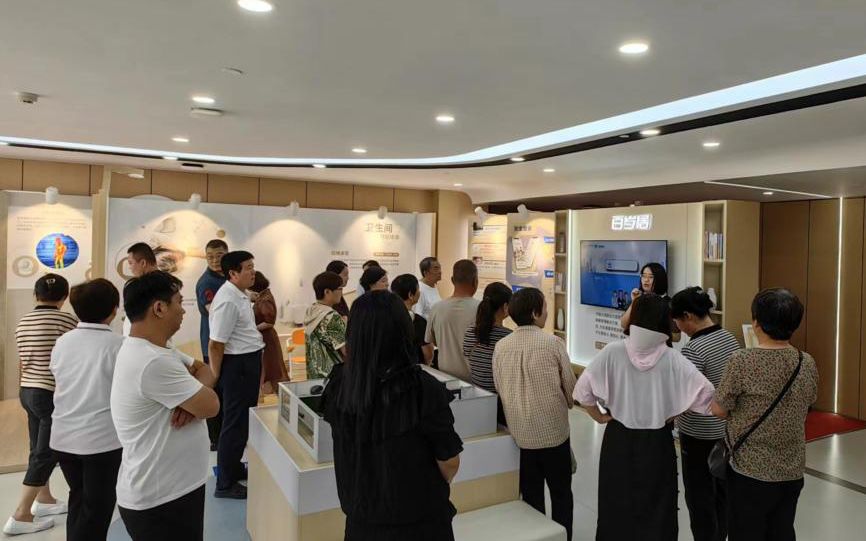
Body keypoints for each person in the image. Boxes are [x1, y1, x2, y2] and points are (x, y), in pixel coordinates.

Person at [322, 291, 463, 541]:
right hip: (420, 524)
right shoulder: (421, 389)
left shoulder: (340, 385)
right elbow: (449, 461)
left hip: (361, 523)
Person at [574, 293, 715, 541]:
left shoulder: (613, 351)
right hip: (657, 443)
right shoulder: (672, 357)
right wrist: (673, 410)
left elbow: (583, 392)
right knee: (657, 506)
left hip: (618, 439)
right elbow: (706, 394)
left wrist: (599, 417)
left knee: (615, 503)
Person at [112, 271, 219, 541]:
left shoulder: (161, 349)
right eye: (179, 302)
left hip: (174, 489)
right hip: (162, 499)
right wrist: (194, 401)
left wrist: (189, 402)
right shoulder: (152, 361)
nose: (183, 310)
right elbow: (211, 405)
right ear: (159, 308)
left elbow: (204, 370)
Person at [711, 289, 818, 541]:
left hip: (749, 470)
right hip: (791, 469)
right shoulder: (806, 361)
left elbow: (719, 409)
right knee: (781, 531)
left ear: (756, 322)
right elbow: (809, 401)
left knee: (745, 532)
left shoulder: (742, 360)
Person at [493, 288, 576, 540]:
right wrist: (568, 402)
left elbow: (499, 387)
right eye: (545, 307)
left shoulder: (501, 346)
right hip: (554, 434)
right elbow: (571, 389)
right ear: (534, 312)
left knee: (531, 497)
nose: (548, 312)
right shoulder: (553, 344)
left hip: (520, 435)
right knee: (561, 494)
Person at [49, 279, 124, 541]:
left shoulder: (63, 342)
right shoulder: (118, 345)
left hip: (63, 436)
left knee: (79, 499)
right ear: (114, 309)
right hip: (100, 441)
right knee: (97, 509)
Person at [3, 275, 76, 536]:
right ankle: (21, 514)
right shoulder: (68, 321)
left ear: (36, 295)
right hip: (50, 392)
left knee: (37, 447)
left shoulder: (23, 321)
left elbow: (23, 360)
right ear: (64, 297)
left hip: (27, 390)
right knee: (45, 452)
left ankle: (44, 500)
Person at [671, 287, 740, 541]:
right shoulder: (730, 339)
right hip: (725, 432)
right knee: (722, 493)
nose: (678, 327)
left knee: (700, 499)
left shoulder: (694, 349)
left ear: (688, 316)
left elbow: (684, 397)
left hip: (697, 435)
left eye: (677, 321)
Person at [209, 251, 265, 500]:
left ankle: (233, 468)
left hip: (247, 363)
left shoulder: (238, 294)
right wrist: (215, 375)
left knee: (242, 422)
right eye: (248, 268)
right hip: (237, 366)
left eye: (253, 266)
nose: (253, 272)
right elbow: (216, 343)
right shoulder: (228, 300)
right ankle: (225, 483)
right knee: (235, 423)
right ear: (233, 273)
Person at [463, 282, 512, 425]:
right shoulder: (508, 336)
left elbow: (469, 359)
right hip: (502, 402)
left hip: (477, 396)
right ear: (505, 307)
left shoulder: (470, 332)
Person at [196, 239, 228, 450]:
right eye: (210, 257)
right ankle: (216, 438)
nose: (215, 260)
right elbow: (216, 312)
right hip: (213, 345)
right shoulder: (207, 282)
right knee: (216, 390)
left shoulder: (227, 277)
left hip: (226, 345)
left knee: (227, 391)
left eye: (219, 256)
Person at [425, 260, 480, 381]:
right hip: (475, 381)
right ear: (475, 281)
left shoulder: (436, 308)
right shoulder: (482, 309)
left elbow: (432, 341)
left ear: (452, 280)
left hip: (445, 379)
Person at [249, 271, 288, 394]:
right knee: (270, 370)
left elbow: (269, 322)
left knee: (273, 370)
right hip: (264, 338)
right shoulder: (263, 296)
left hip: (267, 339)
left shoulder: (264, 299)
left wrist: (252, 329)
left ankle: (282, 397)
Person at [305, 271, 347, 379]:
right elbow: (346, 350)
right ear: (327, 292)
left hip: (314, 374)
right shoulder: (331, 316)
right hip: (333, 374)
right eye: (340, 289)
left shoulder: (311, 310)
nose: (341, 293)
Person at [391, 274, 434, 364]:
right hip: (414, 368)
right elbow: (428, 354)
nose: (419, 292)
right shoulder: (418, 322)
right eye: (418, 289)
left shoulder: (386, 317)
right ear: (410, 295)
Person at [619, 262, 668, 331]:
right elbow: (623, 324)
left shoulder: (667, 302)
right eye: (644, 276)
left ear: (660, 279)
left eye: (651, 277)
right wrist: (634, 301)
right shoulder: (637, 298)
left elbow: (675, 335)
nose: (646, 280)